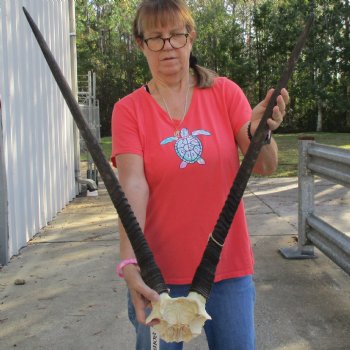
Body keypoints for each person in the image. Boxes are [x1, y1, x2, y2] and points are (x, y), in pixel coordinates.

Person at [111, 1, 289, 349]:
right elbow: (133, 184)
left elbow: (265, 165)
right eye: (156, 38)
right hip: (158, 275)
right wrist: (129, 262)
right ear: (140, 44)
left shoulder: (224, 93)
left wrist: (260, 133)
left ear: (190, 37)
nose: (168, 47)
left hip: (228, 268)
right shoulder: (128, 110)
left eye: (176, 35)